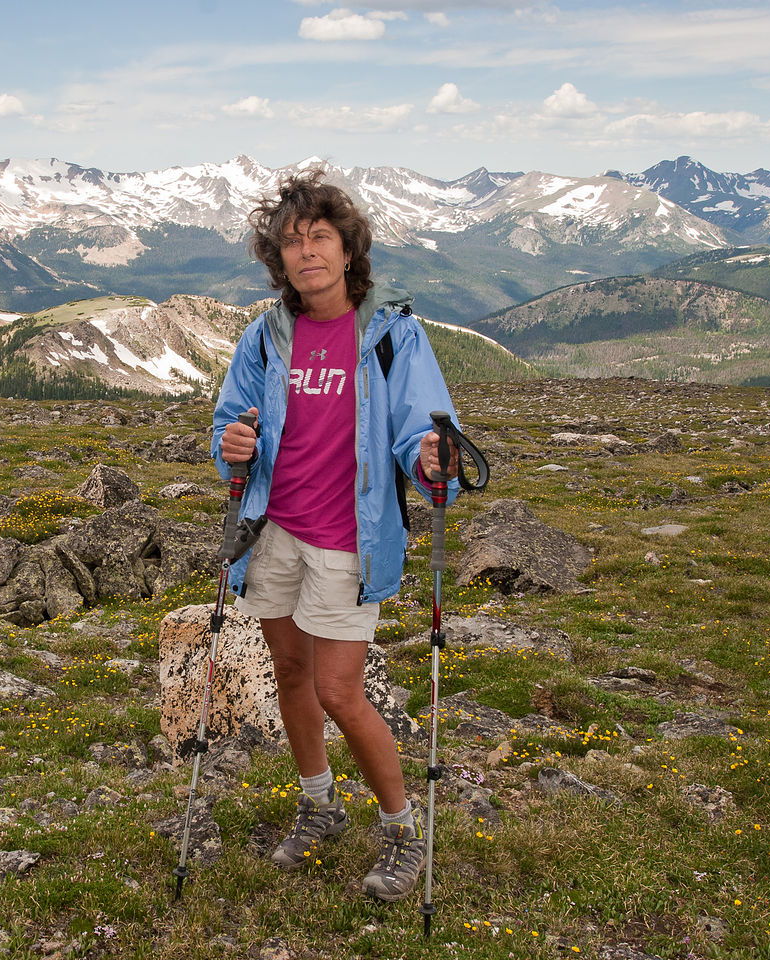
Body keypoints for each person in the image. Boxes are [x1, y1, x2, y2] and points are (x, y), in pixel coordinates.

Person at [211, 169, 462, 902]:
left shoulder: (392, 334)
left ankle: (402, 830)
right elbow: (233, 419)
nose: (306, 252)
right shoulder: (267, 335)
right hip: (275, 531)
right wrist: (229, 441)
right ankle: (318, 804)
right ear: (278, 260)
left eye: (320, 237)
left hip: (348, 539)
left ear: (349, 250)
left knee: (339, 691)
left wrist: (429, 457)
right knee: (290, 674)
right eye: (292, 242)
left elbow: (422, 425)